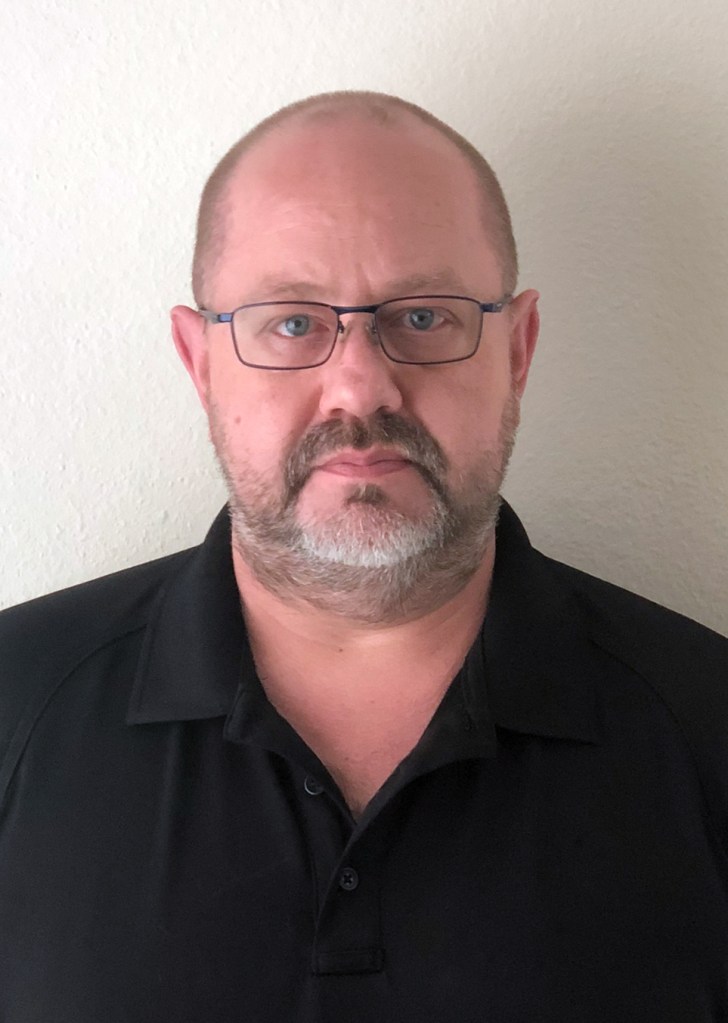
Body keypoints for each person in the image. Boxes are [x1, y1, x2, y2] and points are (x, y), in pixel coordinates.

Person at [1, 91, 726, 1023]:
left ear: (517, 350)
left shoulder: (707, 727)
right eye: (292, 322)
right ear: (200, 361)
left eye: (423, 316)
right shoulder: (14, 703)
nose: (361, 386)